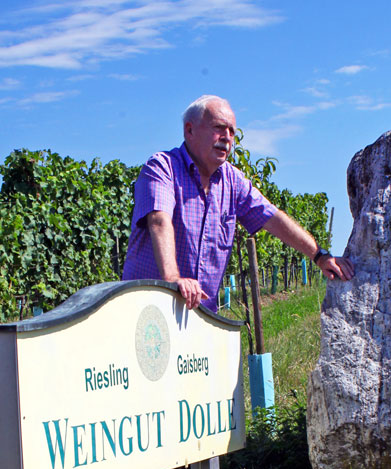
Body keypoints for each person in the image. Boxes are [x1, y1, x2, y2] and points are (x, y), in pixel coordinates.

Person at [122, 95, 353, 311]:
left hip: (198, 317)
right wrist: (173, 280)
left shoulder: (232, 181)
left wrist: (319, 256)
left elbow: (272, 218)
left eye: (232, 131)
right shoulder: (163, 168)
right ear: (189, 130)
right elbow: (159, 221)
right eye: (218, 128)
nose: (227, 138)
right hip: (148, 310)